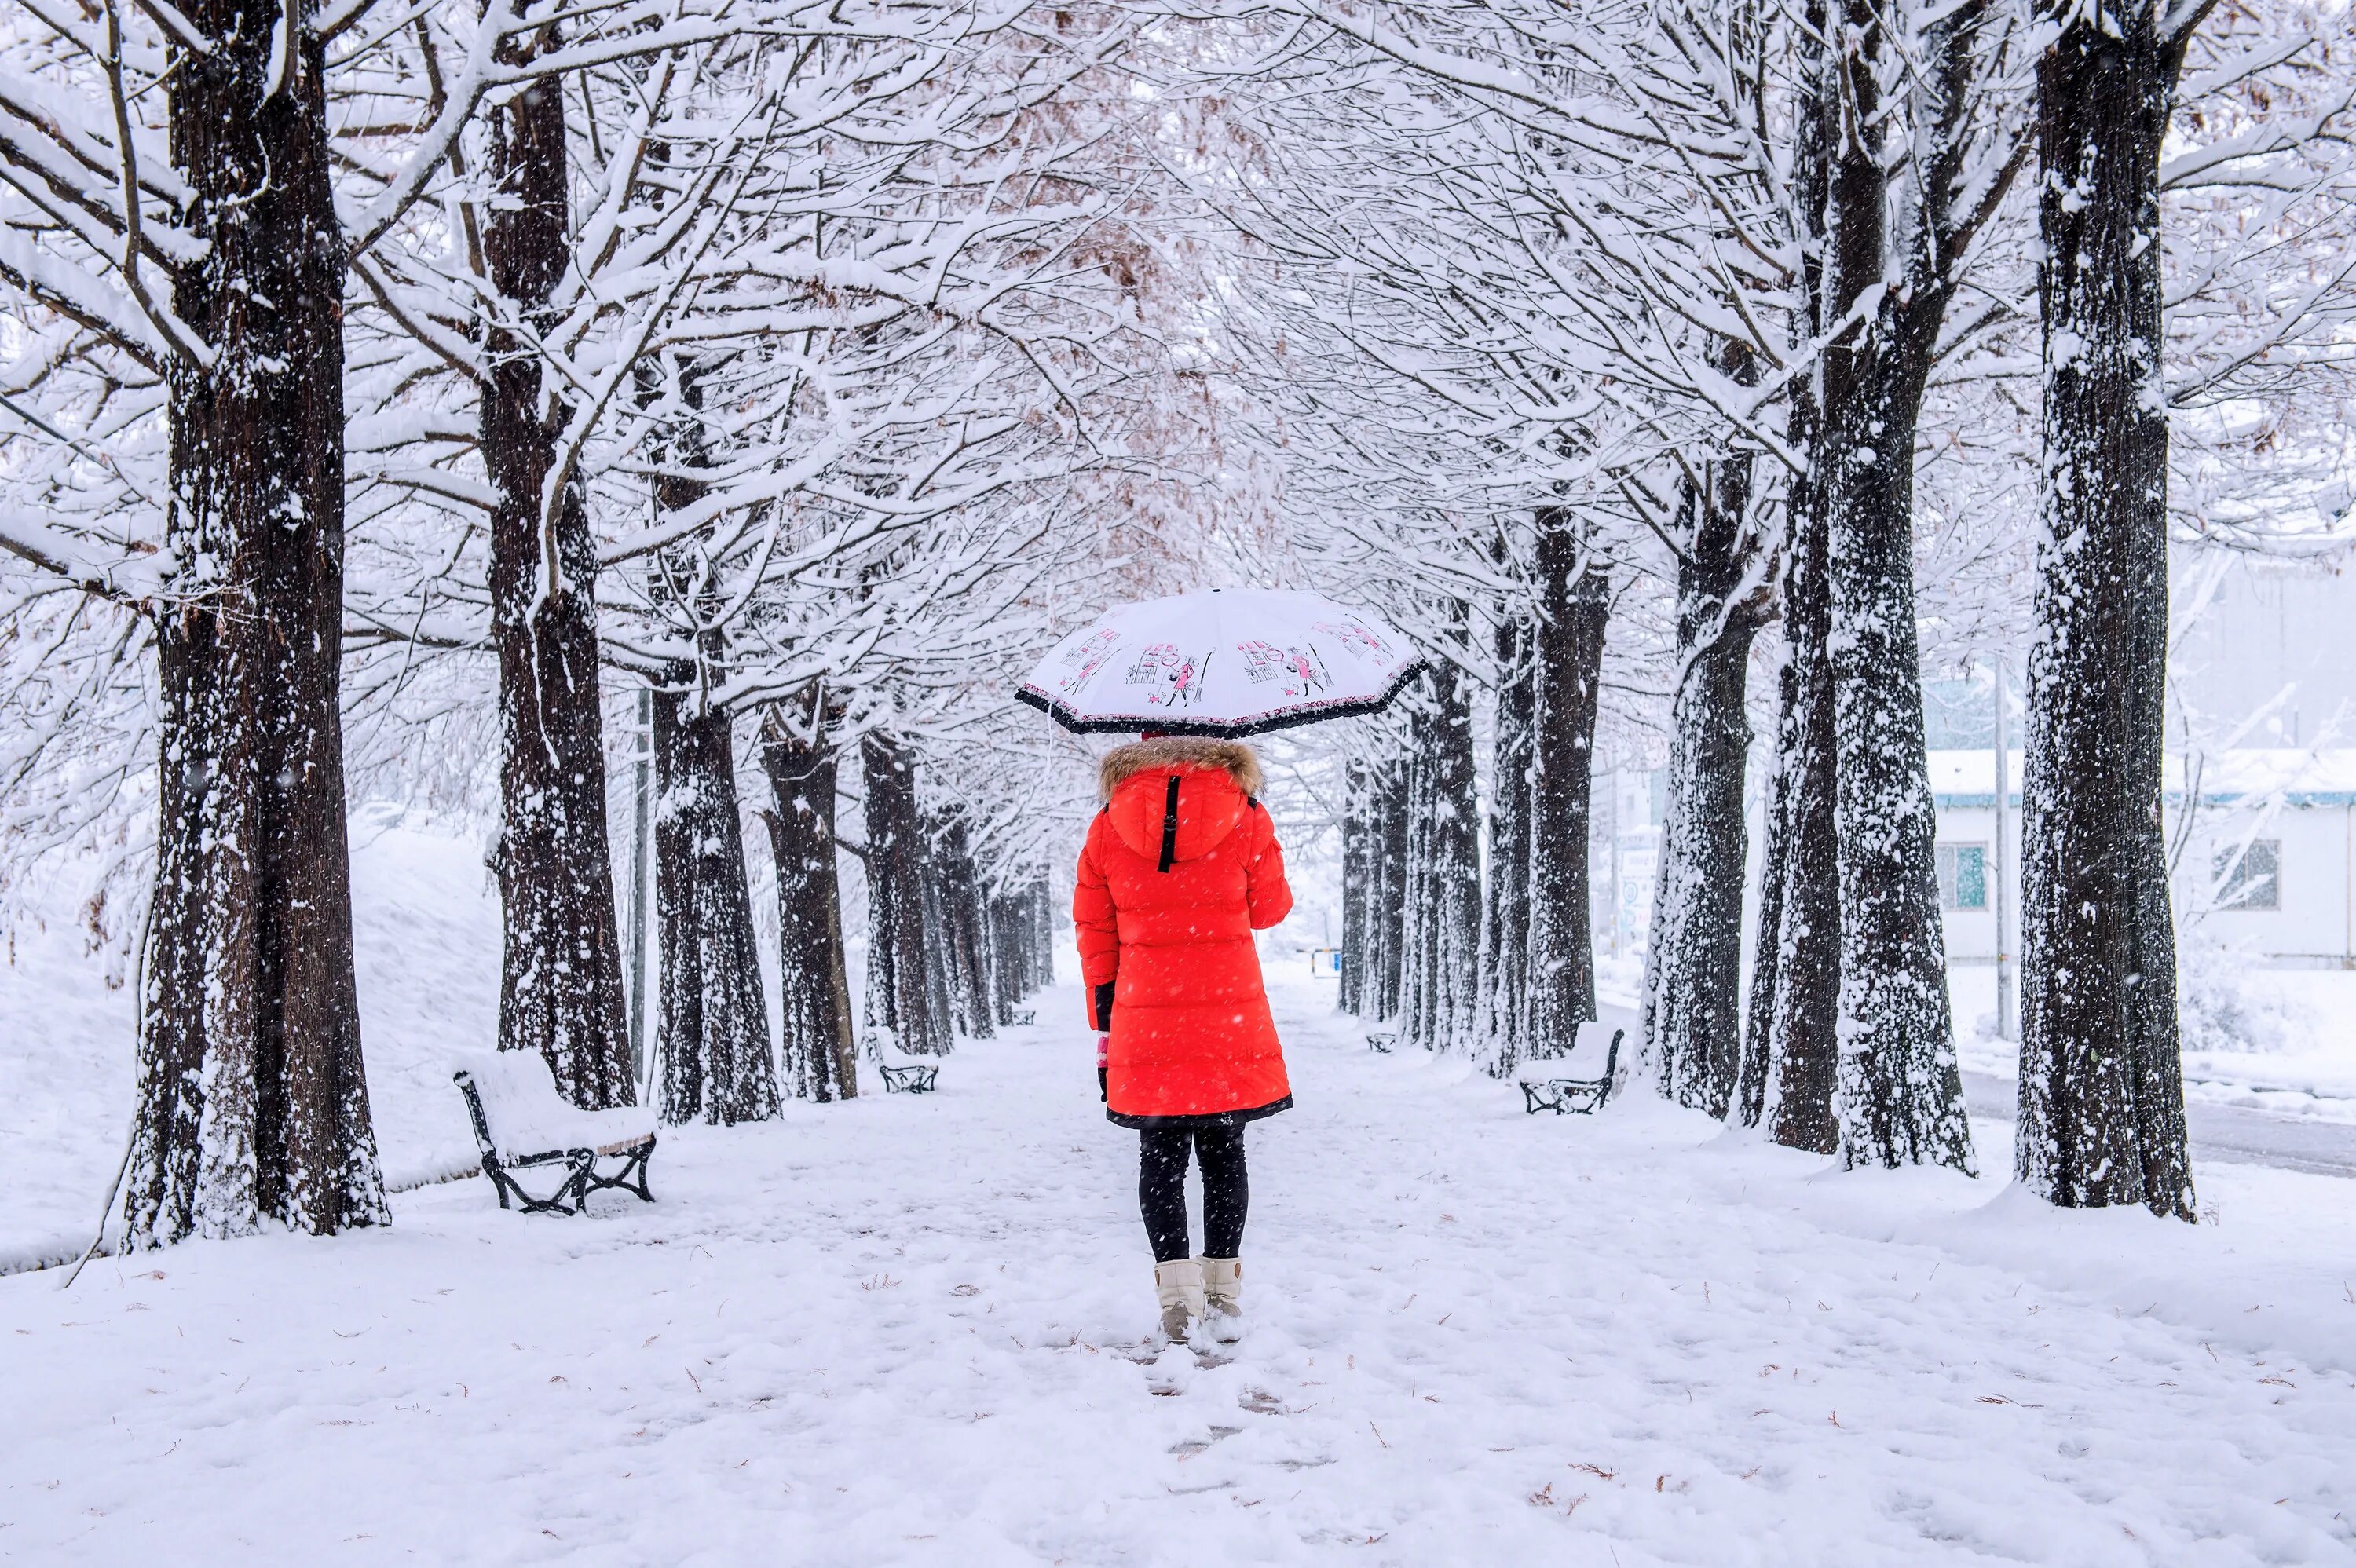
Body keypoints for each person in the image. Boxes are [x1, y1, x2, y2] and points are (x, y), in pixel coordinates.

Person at [1073, 734, 1293, 1344]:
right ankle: (1223, 1293)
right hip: (1228, 1015)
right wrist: (1255, 822)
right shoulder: (1244, 812)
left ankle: (1176, 1299)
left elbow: (1096, 933)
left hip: (1147, 1016)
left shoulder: (1109, 823)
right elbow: (1271, 907)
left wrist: (1105, 1024)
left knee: (1161, 1158)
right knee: (1225, 1155)